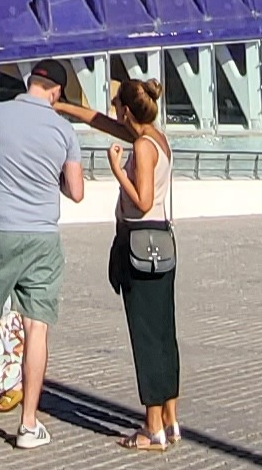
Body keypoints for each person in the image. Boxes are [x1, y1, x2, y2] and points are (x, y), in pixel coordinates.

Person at [0, 58, 88, 448]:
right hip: (42, 238)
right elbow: (77, 192)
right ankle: (28, 425)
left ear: (30, 82)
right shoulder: (64, 130)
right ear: (56, 92)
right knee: (36, 328)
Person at [60, 77, 183, 452]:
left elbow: (142, 202)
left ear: (127, 111)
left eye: (116, 106)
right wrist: (63, 106)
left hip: (140, 242)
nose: (113, 112)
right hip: (161, 244)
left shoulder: (142, 147)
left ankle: (152, 430)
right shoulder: (155, 138)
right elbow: (99, 121)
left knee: (146, 337)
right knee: (163, 334)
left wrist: (116, 170)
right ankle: (170, 419)